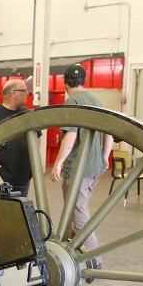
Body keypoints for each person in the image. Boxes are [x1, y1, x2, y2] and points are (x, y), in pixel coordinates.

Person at [50, 64, 113, 266]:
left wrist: (58, 162)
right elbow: (108, 132)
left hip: (78, 168)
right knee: (76, 210)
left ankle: (95, 260)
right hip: (94, 167)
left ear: (65, 82)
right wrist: (104, 157)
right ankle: (70, 253)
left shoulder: (72, 101)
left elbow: (71, 135)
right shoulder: (95, 100)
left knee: (77, 213)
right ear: (84, 80)